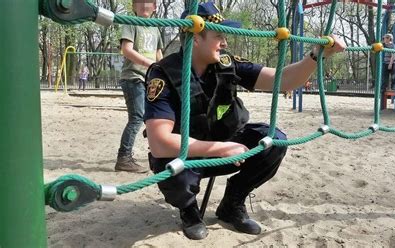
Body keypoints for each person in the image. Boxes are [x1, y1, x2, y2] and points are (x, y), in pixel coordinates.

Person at [144, 2, 345, 240]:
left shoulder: (227, 64)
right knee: (172, 172)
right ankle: (189, 210)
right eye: (219, 36)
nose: (225, 42)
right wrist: (219, 148)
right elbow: (159, 142)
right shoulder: (163, 73)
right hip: (188, 156)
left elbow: (284, 81)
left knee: (274, 141)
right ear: (196, 38)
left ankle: (232, 203)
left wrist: (315, 56)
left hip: (226, 145)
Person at [115, 0, 164, 173]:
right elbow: (126, 49)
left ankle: (158, 150)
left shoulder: (155, 28)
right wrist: (149, 63)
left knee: (154, 116)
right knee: (136, 117)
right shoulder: (131, 22)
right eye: (140, 2)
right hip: (133, 78)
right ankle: (124, 157)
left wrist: (165, 70)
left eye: (148, 2)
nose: (144, 5)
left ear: (155, 6)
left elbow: (159, 54)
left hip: (149, 80)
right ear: (134, 6)